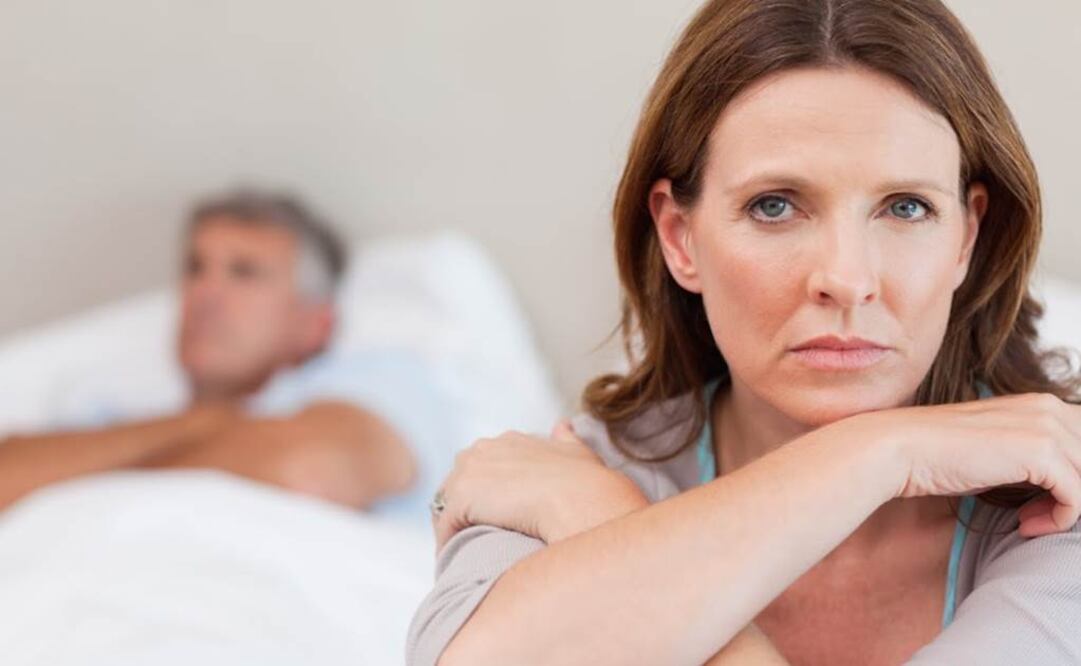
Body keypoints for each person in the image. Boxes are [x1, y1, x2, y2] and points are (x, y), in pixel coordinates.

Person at [407, 1, 1081, 664]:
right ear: (680, 238)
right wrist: (881, 454)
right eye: (774, 206)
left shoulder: (1059, 484)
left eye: (905, 207)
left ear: (965, 236)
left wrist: (602, 520)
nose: (846, 278)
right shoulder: (565, 469)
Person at [0, 188, 450, 522]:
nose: (204, 293)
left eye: (244, 272)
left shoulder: (379, 384)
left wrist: (75, 488)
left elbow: (304, 470)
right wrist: (211, 420)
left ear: (316, 323)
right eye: (195, 268)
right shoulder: (114, 411)